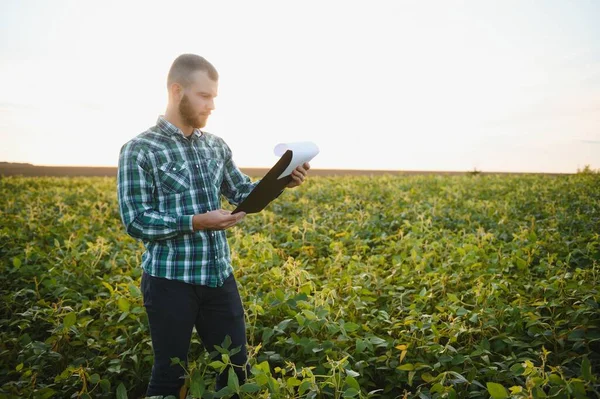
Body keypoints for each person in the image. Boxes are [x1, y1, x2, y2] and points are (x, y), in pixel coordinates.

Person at [117, 54, 310, 398]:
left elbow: (242, 191)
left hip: (219, 277)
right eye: (205, 96)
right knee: (170, 376)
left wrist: (284, 180)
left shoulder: (215, 146)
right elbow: (135, 219)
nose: (212, 106)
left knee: (236, 372)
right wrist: (196, 222)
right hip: (168, 282)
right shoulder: (139, 150)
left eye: (214, 97)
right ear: (177, 91)